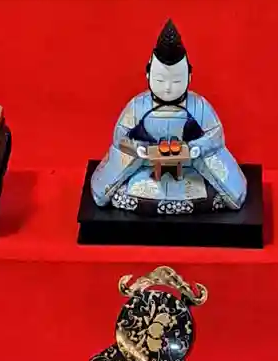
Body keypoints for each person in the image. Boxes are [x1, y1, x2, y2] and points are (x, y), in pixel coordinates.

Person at [90, 22, 248, 216]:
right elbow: (120, 139)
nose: (167, 88)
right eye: (160, 80)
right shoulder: (137, 106)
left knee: (226, 189)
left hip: (191, 166)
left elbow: (215, 137)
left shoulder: (199, 106)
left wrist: (195, 149)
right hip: (145, 167)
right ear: (148, 74)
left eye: (176, 81)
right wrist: (137, 149)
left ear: (189, 76)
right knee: (112, 187)